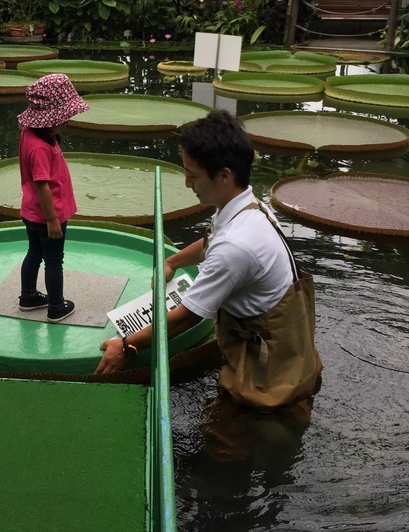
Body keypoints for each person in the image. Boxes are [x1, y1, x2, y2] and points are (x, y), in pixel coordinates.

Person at [94, 109, 322, 410]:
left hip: (266, 365)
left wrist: (127, 345)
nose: (188, 183)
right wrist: (173, 262)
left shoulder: (236, 247)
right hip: (284, 343)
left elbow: (188, 316)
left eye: (192, 175)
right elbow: (210, 242)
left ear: (224, 175)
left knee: (229, 441)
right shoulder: (249, 207)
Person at [17, 73, 89, 323]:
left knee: (34, 252)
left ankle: (28, 297)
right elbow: (42, 185)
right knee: (54, 261)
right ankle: (56, 306)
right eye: (62, 119)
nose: (66, 123)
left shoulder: (30, 132)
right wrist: (53, 220)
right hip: (49, 213)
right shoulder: (40, 147)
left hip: (31, 212)